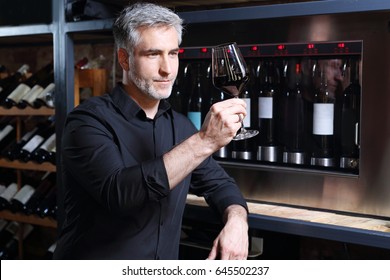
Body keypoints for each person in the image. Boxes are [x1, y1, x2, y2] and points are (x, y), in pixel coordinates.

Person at [54, 2, 249, 260]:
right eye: (152, 54)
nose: (167, 69)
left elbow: (220, 185)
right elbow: (119, 192)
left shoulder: (179, 126)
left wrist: (237, 221)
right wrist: (204, 141)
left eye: (173, 53)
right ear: (124, 59)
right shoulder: (87, 121)